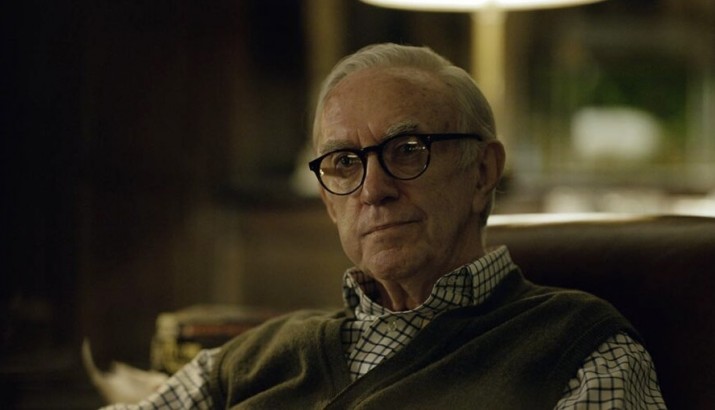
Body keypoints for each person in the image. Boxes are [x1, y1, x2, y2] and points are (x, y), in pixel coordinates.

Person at [103, 43, 666, 409]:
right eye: (344, 162)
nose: (373, 189)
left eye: (407, 150)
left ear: (482, 172)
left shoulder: (579, 349)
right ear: (328, 201)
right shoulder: (252, 359)